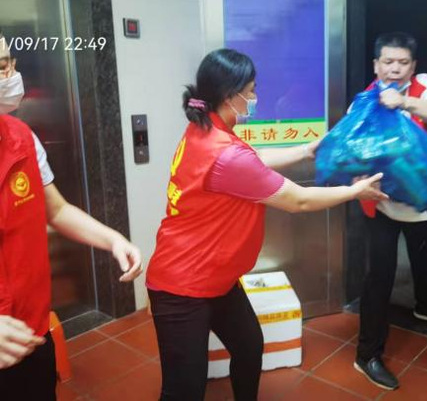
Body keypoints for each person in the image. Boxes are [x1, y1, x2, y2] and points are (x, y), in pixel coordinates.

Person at [145, 48, 387, 401]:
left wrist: (306, 150)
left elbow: (253, 160)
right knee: (183, 391)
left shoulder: (206, 127)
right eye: (251, 90)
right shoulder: (224, 152)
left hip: (216, 276)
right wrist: (355, 192)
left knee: (248, 346)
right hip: (182, 286)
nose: (256, 97)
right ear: (230, 95)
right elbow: (298, 200)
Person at [0, 40, 143, 401]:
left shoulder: (22, 138)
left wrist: (113, 239)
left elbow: (57, 210)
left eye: (10, 62)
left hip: (30, 331)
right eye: (2, 67)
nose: (12, 75)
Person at [353, 32, 427, 392]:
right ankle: (367, 354)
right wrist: (358, 175)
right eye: (388, 62)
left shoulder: (423, 85)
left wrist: (404, 102)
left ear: (413, 66)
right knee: (379, 278)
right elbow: (351, 152)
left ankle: (426, 305)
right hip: (380, 201)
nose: (395, 68)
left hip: (418, 195)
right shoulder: (363, 101)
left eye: (402, 62)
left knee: (425, 255)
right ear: (376, 65)